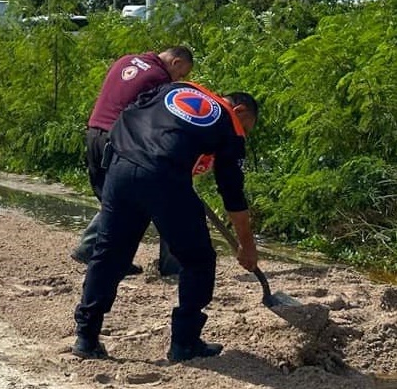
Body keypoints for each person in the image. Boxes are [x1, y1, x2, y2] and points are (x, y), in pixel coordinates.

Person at [71, 83, 259, 362]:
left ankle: (86, 337)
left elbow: (132, 108)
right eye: (248, 125)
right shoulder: (229, 122)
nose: (244, 131)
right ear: (240, 110)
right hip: (163, 176)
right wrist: (247, 245)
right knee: (198, 260)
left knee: (109, 254)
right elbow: (232, 192)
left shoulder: (176, 88)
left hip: (120, 164)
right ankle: (185, 343)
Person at [71, 47, 194, 276]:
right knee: (141, 197)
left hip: (94, 133)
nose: (179, 79)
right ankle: (169, 263)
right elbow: (159, 118)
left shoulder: (126, 60)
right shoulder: (159, 78)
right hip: (118, 139)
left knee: (119, 198)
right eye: (181, 73)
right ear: (175, 62)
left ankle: (100, 252)